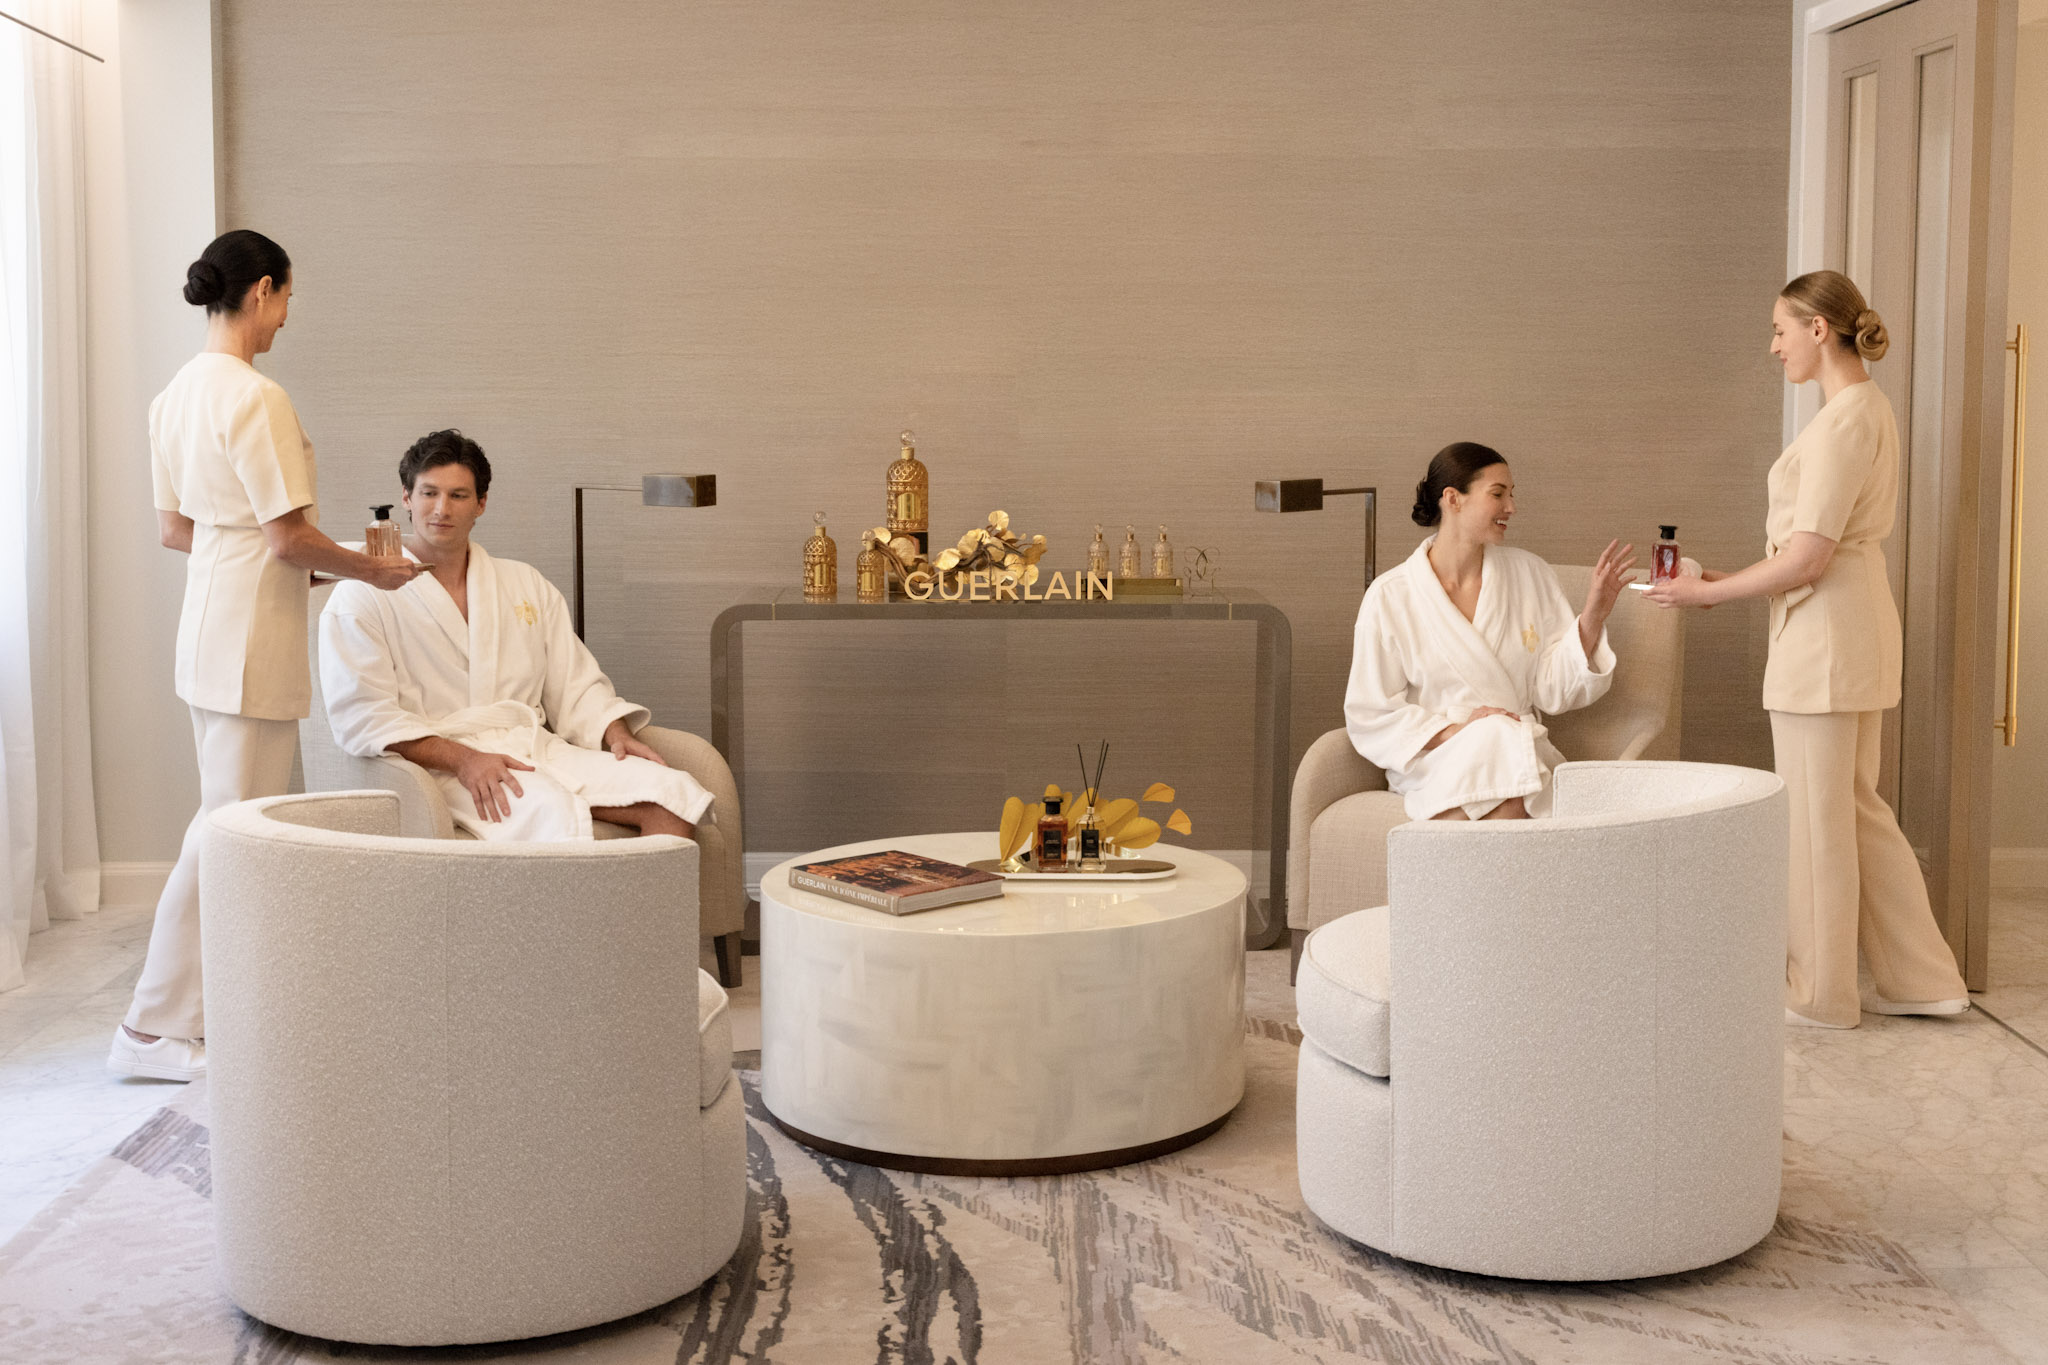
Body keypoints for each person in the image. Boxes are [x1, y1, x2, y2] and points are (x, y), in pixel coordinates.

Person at [111, 231, 421, 1083]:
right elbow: (286, 537)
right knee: (227, 831)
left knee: (225, 823)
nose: (286, 317)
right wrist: (374, 569)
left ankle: (199, 1015)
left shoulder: (173, 396)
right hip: (250, 637)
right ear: (259, 291)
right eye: (285, 298)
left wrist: (299, 564)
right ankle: (150, 1027)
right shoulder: (259, 397)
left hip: (210, 626)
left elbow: (180, 530)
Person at [1647, 271, 1969, 1028]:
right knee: (1857, 810)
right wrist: (1718, 576)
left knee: (1821, 819)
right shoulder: (1863, 412)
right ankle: (1925, 978)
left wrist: (1702, 596)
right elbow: (1811, 555)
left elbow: (1806, 559)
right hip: (1848, 632)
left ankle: (1821, 994)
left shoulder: (1844, 420)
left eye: (1781, 330)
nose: (1774, 346)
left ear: (1819, 330)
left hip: (1823, 643)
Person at [319, 429, 713, 842]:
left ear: (481, 504)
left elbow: (573, 680)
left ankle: (658, 910)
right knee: (551, 809)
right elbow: (364, 717)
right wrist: (464, 758)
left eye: (458, 495)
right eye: (429, 493)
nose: (441, 509)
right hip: (442, 766)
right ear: (406, 499)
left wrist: (616, 734)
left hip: (533, 747)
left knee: (670, 793)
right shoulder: (361, 595)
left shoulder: (525, 583)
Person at [1345, 442, 1636, 822]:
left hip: (1518, 750)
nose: (1511, 507)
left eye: (1512, 495)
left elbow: (1553, 691)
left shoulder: (1530, 574)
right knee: (1506, 767)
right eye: (1498, 494)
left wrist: (1593, 616)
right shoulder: (1390, 596)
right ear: (1453, 499)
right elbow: (1371, 712)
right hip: (1436, 759)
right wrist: (1462, 729)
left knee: (1508, 766)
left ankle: (1442, 867)